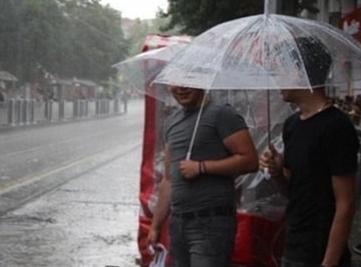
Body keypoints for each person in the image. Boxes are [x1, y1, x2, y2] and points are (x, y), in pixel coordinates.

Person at [260, 37, 358, 267]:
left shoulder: (336, 127)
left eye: (280, 70)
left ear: (299, 72)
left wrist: (328, 263)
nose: (276, 78)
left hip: (322, 252)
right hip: (294, 246)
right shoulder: (292, 124)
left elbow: (345, 203)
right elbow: (293, 191)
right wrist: (275, 172)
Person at [147, 86, 259, 267]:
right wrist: (155, 226)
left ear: (201, 81)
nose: (181, 87)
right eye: (175, 82)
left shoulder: (222, 114)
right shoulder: (171, 122)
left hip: (211, 224)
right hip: (178, 224)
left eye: (188, 80)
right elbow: (168, 179)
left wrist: (202, 167)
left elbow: (250, 160)